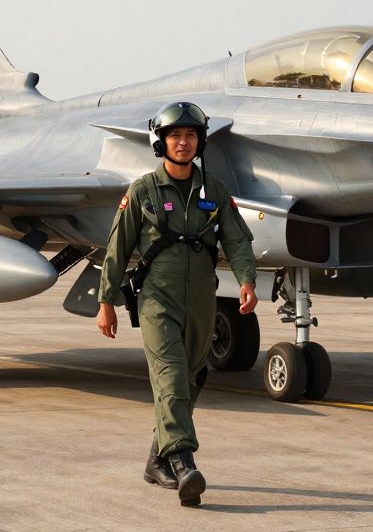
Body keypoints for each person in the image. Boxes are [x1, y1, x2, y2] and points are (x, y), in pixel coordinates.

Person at [96, 101, 259, 507]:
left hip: (203, 299)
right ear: (161, 143)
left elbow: (237, 240)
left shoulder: (214, 192)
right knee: (169, 375)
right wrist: (106, 301)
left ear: (199, 142)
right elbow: (117, 249)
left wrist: (247, 281)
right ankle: (185, 464)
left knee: (191, 378)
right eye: (175, 136)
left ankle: (157, 458)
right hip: (157, 298)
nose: (182, 143)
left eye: (189, 136)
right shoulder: (142, 192)